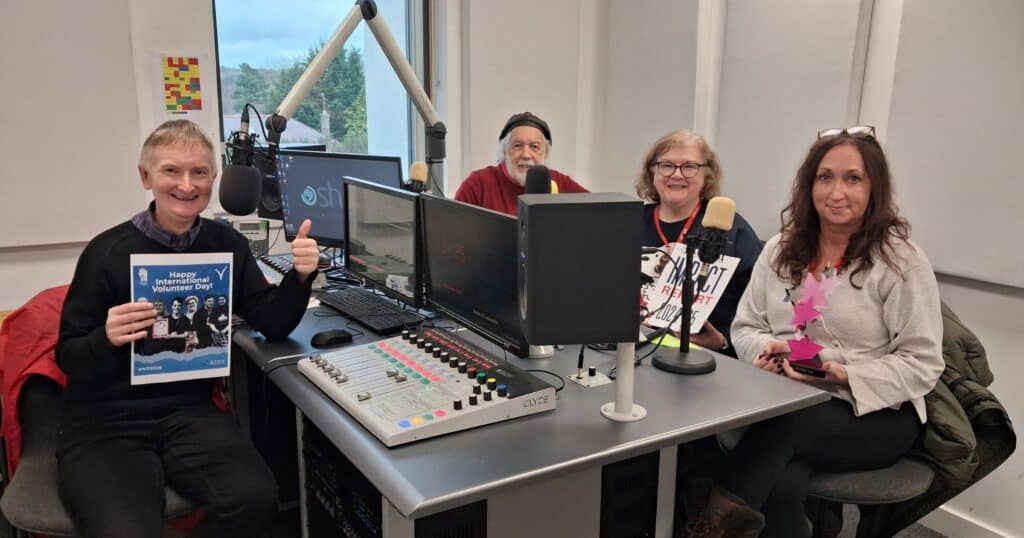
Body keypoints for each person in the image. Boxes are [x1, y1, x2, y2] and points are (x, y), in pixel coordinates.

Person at [56, 119, 320, 538]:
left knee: (256, 499)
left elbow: (273, 322)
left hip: (188, 412)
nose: (186, 184)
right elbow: (68, 356)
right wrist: (104, 338)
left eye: (199, 172)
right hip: (105, 421)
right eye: (171, 171)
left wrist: (300, 277)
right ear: (146, 177)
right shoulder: (106, 253)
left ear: (213, 179)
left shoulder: (227, 244)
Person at [689, 127, 945, 537]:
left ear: (874, 188)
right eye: (825, 177)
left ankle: (706, 528)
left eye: (853, 178)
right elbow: (746, 326)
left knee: (783, 426)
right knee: (783, 481)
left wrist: (843, 374)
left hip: (875, 414)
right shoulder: (780, 250)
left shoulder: (901, 262)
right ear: (809, 185)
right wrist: (766, 351)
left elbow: (923, 363)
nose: (836, 192)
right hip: (787, 398)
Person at [636, 129, 761, 357]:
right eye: (666, 165)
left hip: (707, 360)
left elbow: (757, 314)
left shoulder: (731, 230)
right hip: (632, 352)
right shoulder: (630, 222)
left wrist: (723, 341)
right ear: (652, 172)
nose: (677, 175)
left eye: (689, 166)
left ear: (707, 176)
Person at [454, 111, 588, 215]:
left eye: (534, 147)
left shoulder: (560, 183)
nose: (526, 155)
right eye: (517, 146)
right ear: (504, 151)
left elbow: (596, 214)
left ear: (545, 153)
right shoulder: (478, 184)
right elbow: (452, 231)